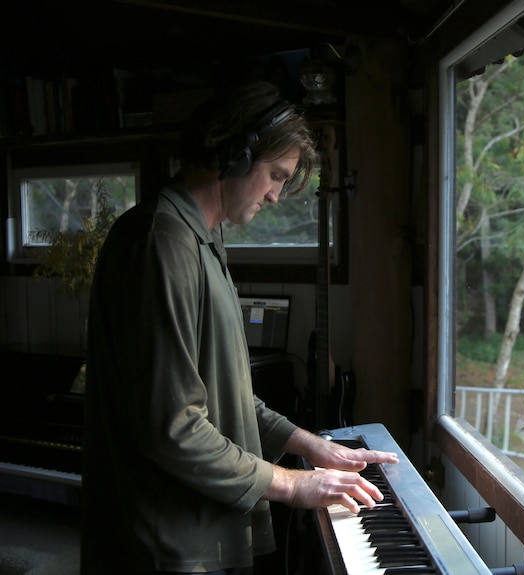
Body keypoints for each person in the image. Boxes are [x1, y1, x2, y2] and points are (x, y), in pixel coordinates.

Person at [81, 81, 398, 575]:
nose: (275, 196)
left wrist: (310, 445)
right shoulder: (160, 244)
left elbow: (229, 396)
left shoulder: (202, 239)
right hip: (167, 545)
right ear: (233, 155)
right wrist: (294, 484)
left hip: (201, 532)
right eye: (274, 174)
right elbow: (174, 428)